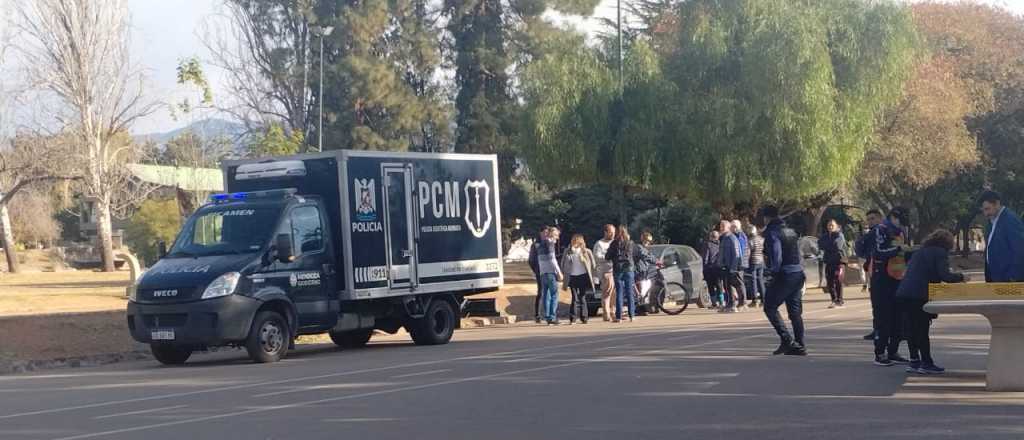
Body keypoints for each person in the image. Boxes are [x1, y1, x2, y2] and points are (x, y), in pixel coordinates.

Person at [896, 230, 965, 374]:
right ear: (947, 243)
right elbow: (945, 275)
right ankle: (926, 362)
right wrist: (961, 277)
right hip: (920, 295)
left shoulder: (920, 252)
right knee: (921, 329)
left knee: (911, 328)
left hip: (904, 292)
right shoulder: (939, 252)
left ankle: (914, 360)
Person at [867, 208, 911, 366]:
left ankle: (893, 351)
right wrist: (898, 250)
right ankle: (880, 353)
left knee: (898, 317)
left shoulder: (900, 231)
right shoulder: (881, 230)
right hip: (881, 279)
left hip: (897, 278)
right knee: (883, 318)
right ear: (893, 217)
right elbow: (879, 252)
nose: (902, 225)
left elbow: (902, 254)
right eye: (900, 221)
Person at [761, 206, 807, 356]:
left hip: (784, 274)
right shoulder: (791, 230)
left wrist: (772, 272)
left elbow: (776, 254)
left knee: (770, 307)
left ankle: (787, 340)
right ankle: (799, 344)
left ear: (766, 217)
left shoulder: (772, 232)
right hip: (797, 273)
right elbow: (798, 253)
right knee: (794, 312)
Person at [980, 191, 1024, 282]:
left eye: (988, 209)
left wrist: (1013, 277)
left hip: (1009, 280)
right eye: (983, 210)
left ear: (997, 203)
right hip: (995, 278)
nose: (985, 214)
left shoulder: (1010, 220)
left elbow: (1020, 249)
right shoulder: (991, 222)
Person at [856, 209, 884, 340]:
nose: (870, 221)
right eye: (868, 219)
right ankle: (877, 329)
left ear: (879, 218)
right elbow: (861, 252)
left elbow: (861, 249)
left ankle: (881, 330)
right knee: (876, 303)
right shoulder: (870, 234)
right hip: (873, 270)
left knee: (880, 303)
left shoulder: (879, 232)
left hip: (882, 271)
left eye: (873, 218)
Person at [605, 225, 639, 322]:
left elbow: (607, 257)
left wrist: (613, 257)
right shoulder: (630, 243)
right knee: (629, 293)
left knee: (619, 293)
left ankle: (619, 317)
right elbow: (636, 254)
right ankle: (632, 315)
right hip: (629, 269)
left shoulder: (614, 244)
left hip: (617, 269)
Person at [561, 234, 596, 325]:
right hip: (572, 277)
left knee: (583, 297)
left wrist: (584, 260)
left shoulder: (586, 251)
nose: (575, 243)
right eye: (573, 241)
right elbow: (563, 264)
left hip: (583, 276)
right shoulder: (567, 251)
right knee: (574, 298)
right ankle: (572, 318)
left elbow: (593, 264)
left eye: (577, 241)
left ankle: (584, 317)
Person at [538, 226, 564, 325]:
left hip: (543, 273)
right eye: (556, 235)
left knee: (546, 295)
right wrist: (559, 272)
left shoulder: (541, 244)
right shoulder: (550, 243)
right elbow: (552, 259)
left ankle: (548, 316)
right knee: (554, 294)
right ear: (553, 235)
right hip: (550, 273)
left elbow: (540, 260)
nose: (557, 238)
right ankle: (552, 317)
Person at [819, 219, 848, 308]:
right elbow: (820, 245)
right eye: (829, 225)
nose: (830, 227)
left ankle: (839, 300)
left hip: (839, 262)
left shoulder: (840, 235)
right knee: (830, 282)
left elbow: (837, 246)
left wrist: (827, 245)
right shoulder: (824, 236)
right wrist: (828, 245)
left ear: (836, 226)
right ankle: (834, 300)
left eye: (832, 225)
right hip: (829, 262)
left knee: (838, 280)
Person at [718, 220, 745, 313]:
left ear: (728, 228)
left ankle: (734, 304)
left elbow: (736, 254)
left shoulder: (731, 238)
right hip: (725, 266)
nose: (721, 228)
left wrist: (733, 268)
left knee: (733, 286)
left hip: (730, 267)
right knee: (727, 286)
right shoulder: (724, 238)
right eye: (720, 226)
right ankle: (729, 304)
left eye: (723, 226)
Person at [593, 225, 617, 321]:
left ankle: (613, 312)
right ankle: (606, 313)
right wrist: (608, 257)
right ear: (605, 232)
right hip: (605, 272)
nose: (612, 234)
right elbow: (597, 257)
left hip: (616, 271)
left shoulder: (615, 243)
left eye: (614, 232)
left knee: (615, 294)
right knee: (607, 293)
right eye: (610, 232)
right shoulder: (599, 244)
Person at [527, 227, 548, 324]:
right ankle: (538, 315)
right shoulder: (535, 245)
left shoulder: (550, 243)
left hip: (550, 271)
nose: (545, 234)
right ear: (540, 233)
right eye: (544, 232)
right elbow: (531, 260)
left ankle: (549, 314)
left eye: (547, 233)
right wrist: (536, 270)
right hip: (540, 271)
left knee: (550, 293)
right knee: (541, 292)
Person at [636, 231, 659, 308]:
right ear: (642, 240)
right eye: (646, 240)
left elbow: (651, 257)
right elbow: (645, 256)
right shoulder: (639, 247)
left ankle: (643, 306)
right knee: (641, 290)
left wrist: (658, 261)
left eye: (649, 241)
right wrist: (656, 261)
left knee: (644, 290)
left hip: (645, 272)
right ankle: (639, 308)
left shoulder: (646, 249)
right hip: (639, 271)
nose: (648, 242)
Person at [734, 220, 754, 308]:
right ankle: (742, 301)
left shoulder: (740, 235)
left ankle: (743, 302)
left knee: (740, 281)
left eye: (732, 227)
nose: (731, 228)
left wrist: (740, 261)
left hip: (740, 262)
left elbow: (741, 249)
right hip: (741, 261)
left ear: (736, 227)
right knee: (739, 281)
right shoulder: (740, 235)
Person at [702, 230, 724, 309]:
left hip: (709, 268)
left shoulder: (708, 245)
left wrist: (704, 268)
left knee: (710, 286)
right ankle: (721, 302)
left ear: (711, 237)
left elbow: (705, 258)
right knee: (719, 285)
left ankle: (714, 303)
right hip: (718, 267)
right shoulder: (720, 245)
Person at [746, 225, 766, 308]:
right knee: (760, 280)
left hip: (753, 261)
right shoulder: (762, 239)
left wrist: (746, 261)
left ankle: (755, 301)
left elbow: (748, 252)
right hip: (761, 261)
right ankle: (764, 300)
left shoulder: (751, 240)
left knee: (753, 280)